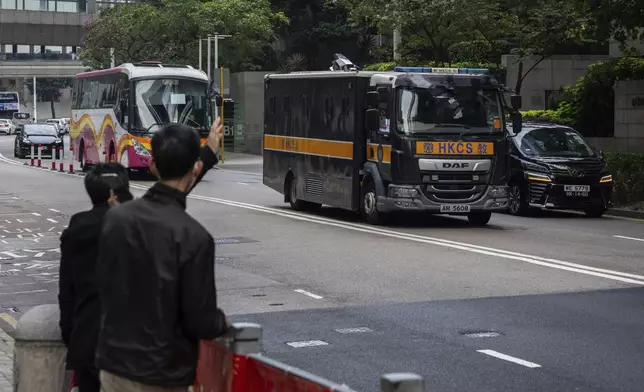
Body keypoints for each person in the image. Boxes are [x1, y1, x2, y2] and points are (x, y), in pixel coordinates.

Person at [59, 117, 224, 391]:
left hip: (110, 362)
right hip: (161, 373)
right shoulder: (193, 236)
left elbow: (67, 294)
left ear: (151, 164)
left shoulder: (117, 220)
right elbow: (202, 320)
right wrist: (224, 324)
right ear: (194, 167)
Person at [58, 162, 132, 392]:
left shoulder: (76, 230)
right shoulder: (136, 225)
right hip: (132, 343)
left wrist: (70, 335)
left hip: (87, 340)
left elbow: (66, 292)